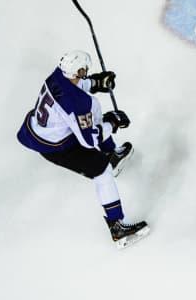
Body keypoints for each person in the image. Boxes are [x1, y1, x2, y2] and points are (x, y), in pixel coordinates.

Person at [16, 50, 149, 249]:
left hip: (42, 130)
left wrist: (96, 83)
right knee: (102, 171)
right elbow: (89, 140)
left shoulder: (58, 74)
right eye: (84, 71)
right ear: (77, 70)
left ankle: (111, 153)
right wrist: (112, 123)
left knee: (93, 108)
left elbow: (75, 87)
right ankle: (117, 228)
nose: (86, 73)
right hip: (57, 147)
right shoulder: (77, 103)